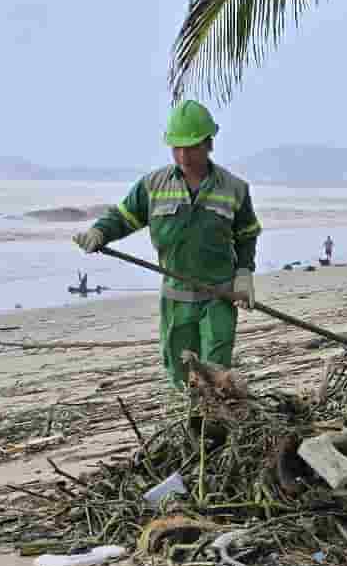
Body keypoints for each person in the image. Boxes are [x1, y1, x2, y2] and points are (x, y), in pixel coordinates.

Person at [74, 100, 263, 390]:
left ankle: (215, 428)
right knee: (181, 375)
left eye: (191, 147)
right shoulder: (153, 185)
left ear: (209, 143)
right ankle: (192, 424)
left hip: (219, 296)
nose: (183, 155)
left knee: (215, 373)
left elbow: (247, 234)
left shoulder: (234, 188)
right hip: (176, 300)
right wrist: (99, 232)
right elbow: (123, 217)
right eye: (177, 147)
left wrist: (244, 273)